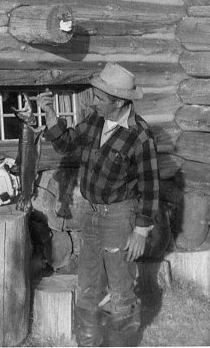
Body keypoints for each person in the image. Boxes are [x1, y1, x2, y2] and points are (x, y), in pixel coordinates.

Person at [36, 62, 160, 347]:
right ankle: (88, 343)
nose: (92, 101)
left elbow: (150, 186)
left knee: (120, 286)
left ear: (118, 102)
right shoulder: (94, 120)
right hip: (90, 213)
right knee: (88, 282)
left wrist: (141, 230)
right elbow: (67, 144)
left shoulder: (139, 135)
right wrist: (51, 114)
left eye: (99, 98)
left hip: (120, 216)